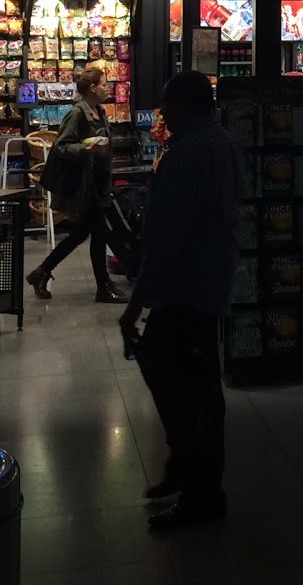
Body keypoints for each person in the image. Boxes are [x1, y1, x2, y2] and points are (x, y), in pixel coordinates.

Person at [120, 71, 243, 530]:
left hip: (186, 285)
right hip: (211, 280)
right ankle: (189, 470)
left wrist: (137, 304)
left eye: (167, 103)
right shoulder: (225, 143)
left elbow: (169, 238)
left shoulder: (187, 153)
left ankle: (199, 488)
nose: (162, 113)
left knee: (183, 384)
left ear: (186, 104)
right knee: (199, 385)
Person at [27, 65, 127, 303]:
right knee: (99, 232)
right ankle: (103, 286)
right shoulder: (77, 114)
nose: (107, 88)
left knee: (81, 233)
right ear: (93, 88)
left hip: (98, 182)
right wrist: (86, 147)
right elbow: (61, 146)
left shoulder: (100, 112)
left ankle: (41, 272)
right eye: (104, 84)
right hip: (84, 185)